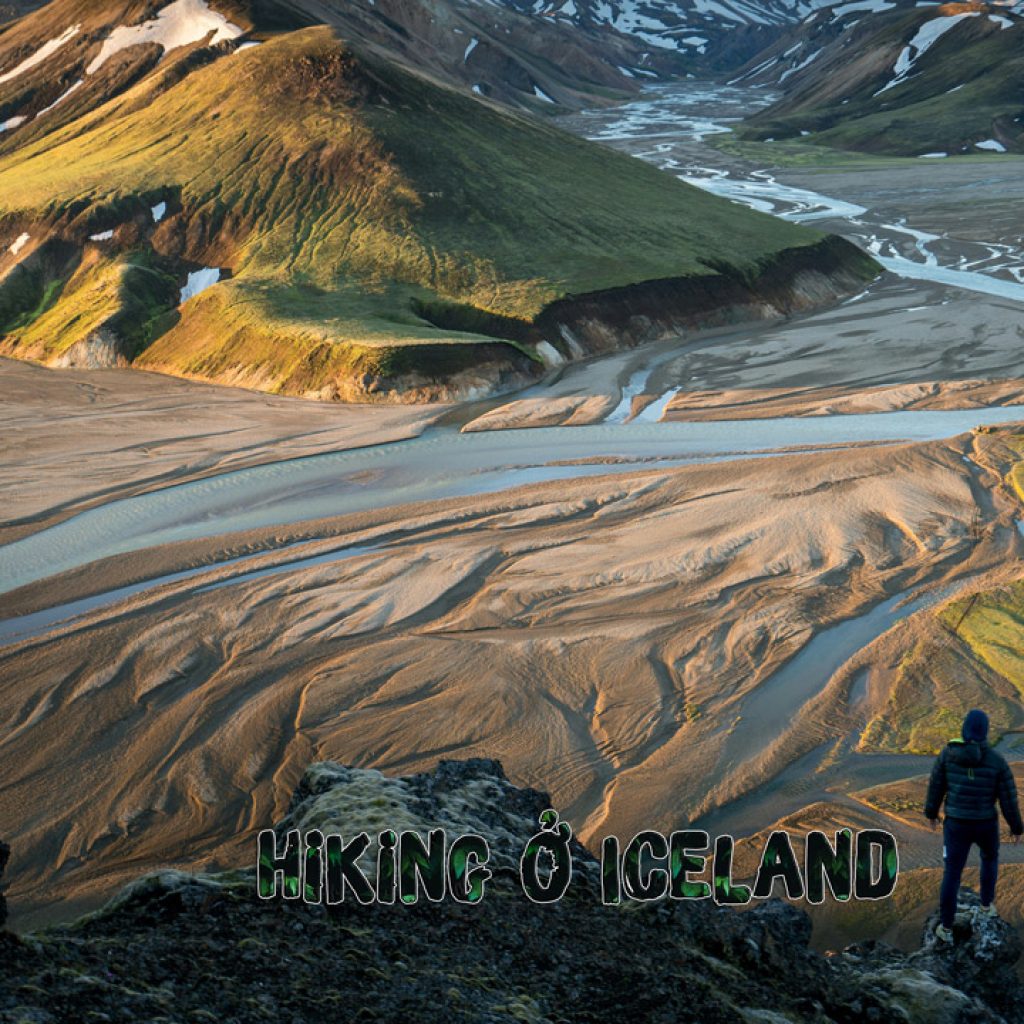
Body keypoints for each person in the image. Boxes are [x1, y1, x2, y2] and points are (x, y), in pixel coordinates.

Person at [924, 708, 1023, 942]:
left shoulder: (947, 755)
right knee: (989, 860)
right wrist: (1017, 827)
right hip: (986, 824)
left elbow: (935, 786)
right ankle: (986, 906)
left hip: (956, 825)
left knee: (952, 873)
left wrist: (931, 813)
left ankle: (946, 928)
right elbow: (1008, 798)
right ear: (985, 732)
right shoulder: (997, 762)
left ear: (964, 729)